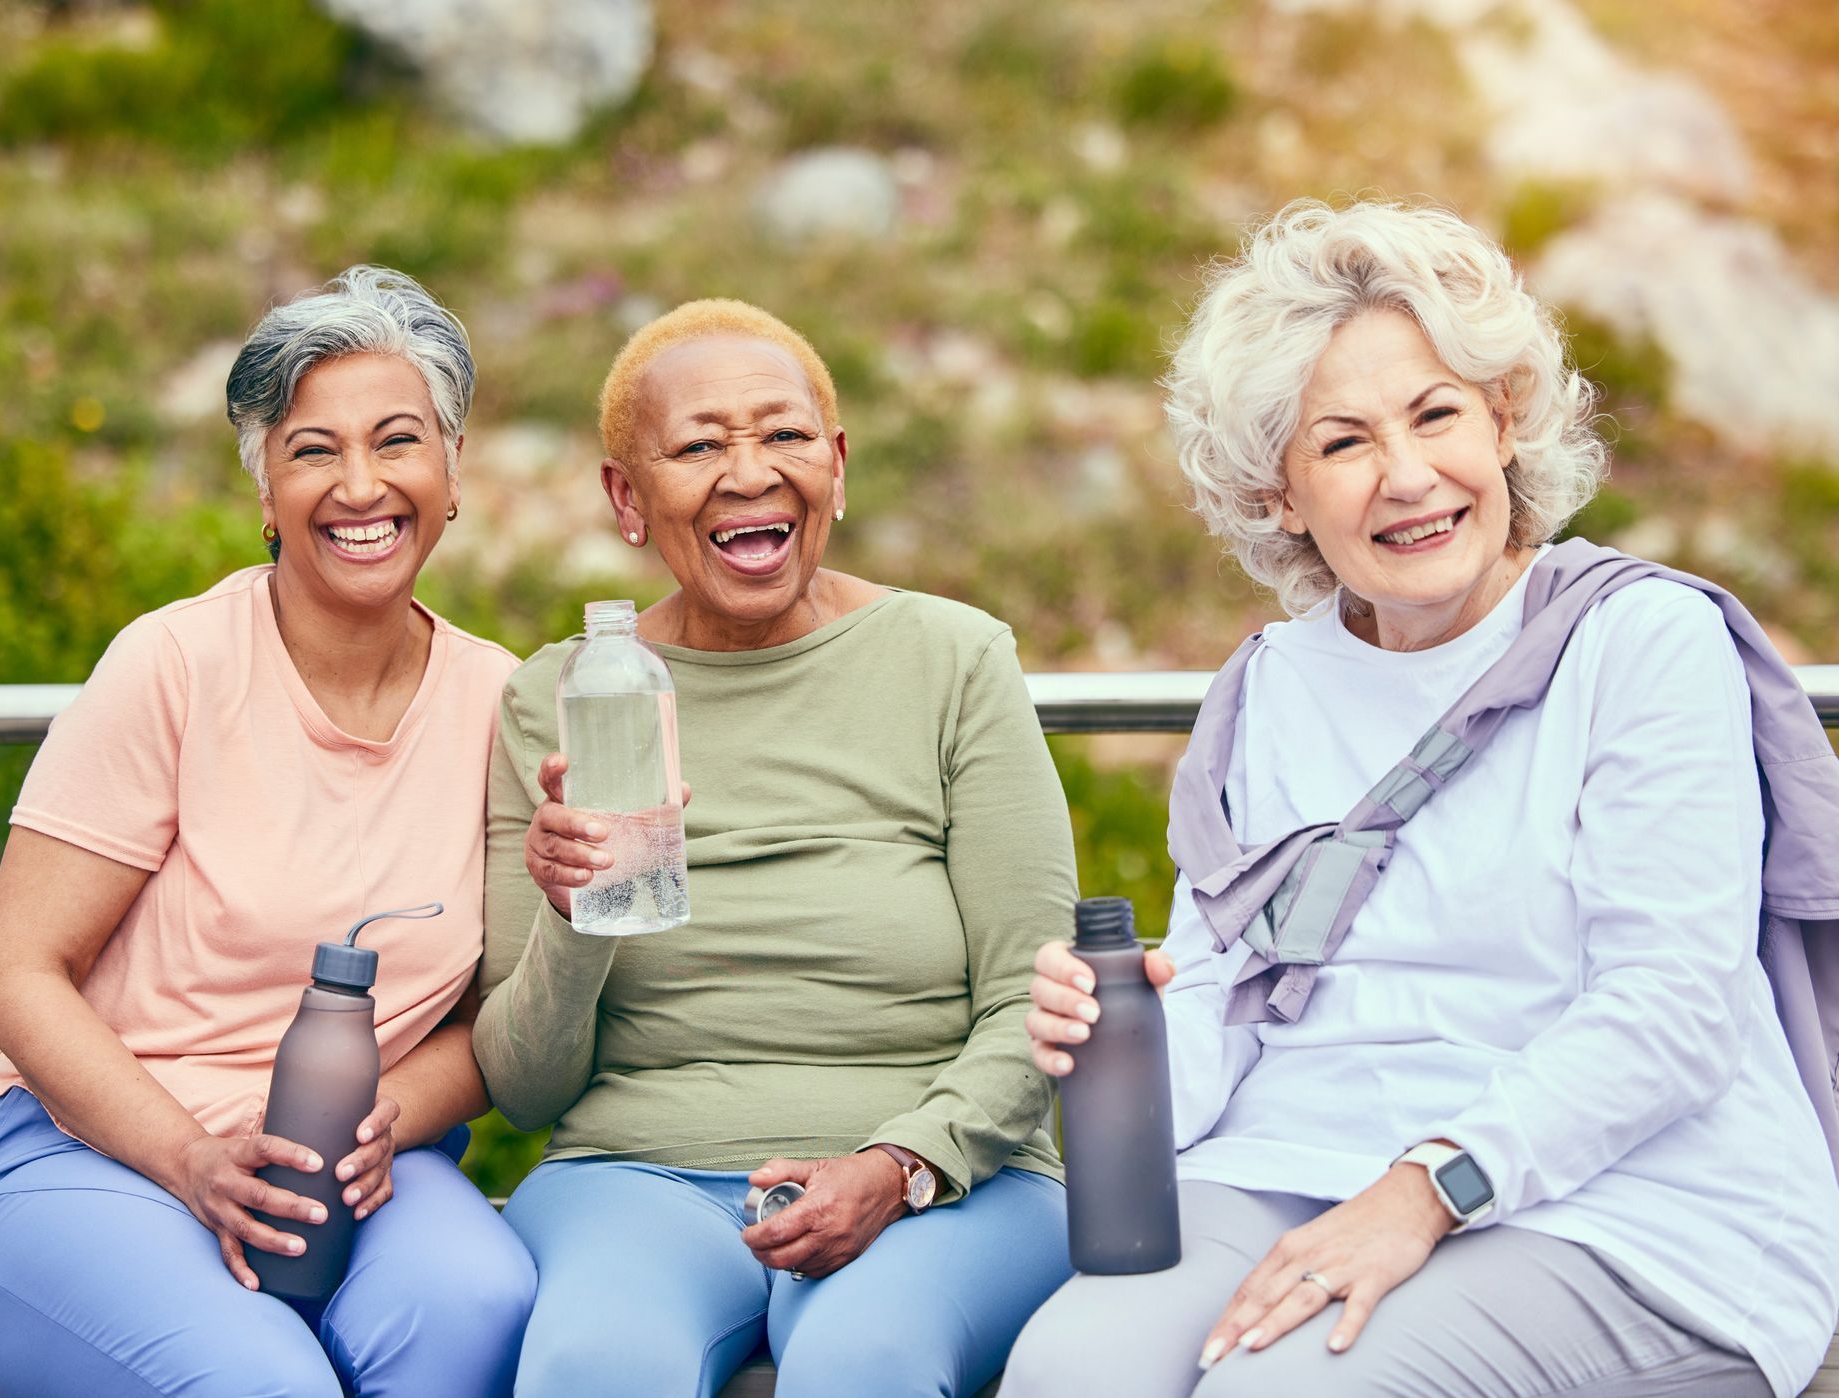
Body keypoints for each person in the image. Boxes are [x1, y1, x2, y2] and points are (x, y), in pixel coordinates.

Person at [1003, 200, 1839, 1398]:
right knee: (1069, 1376)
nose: (1407, 477)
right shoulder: (1273, 687)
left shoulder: (1640, 641)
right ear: (1277, 493)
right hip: (1299, 1160)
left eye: (1436, 414)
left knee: (1282, 1392)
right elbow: (1224, 1006)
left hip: (1633, 1204)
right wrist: (1108, 1041)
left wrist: (1425, 1189)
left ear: (1503, 422)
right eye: (1341, 443)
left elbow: (1673, 1010)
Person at [0, 267, 536, 1396]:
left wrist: (392, 1116)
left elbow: (498, 1020)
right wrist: (190, 1156)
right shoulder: (175, 665)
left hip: (350, 1168)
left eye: (397, 442)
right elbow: (14, 970)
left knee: (479, 1312)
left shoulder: (505, 702)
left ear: (451, 476)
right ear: (264, 492)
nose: (361, 486)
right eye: (312, 450)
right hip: (82, 1153)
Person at [474, 298, 1075, 1397]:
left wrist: (898, 1167)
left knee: (866, 1363)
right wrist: (573, 917)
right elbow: (522, 1087)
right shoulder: (554, 695)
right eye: (698, 446)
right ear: (626, 495)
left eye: (785, 435)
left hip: (945, 1180)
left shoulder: (954, 660)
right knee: (593, 1368)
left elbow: (1037, 1006)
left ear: (837, 467)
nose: (750, 473)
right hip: (636, 1179)